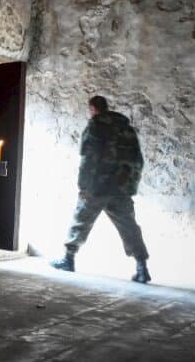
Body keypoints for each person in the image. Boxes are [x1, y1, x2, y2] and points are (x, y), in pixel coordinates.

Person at [51, 96, 150, 283]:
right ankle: (142, 267)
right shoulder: (127, 129)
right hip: (121, 188)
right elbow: (138, 161)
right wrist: (130, 186)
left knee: (81, 220)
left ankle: (68, 259)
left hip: (98, 186)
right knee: (129, 227)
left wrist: (84, 186)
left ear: (93, 108)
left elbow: (89, 158)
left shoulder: (95, 126)